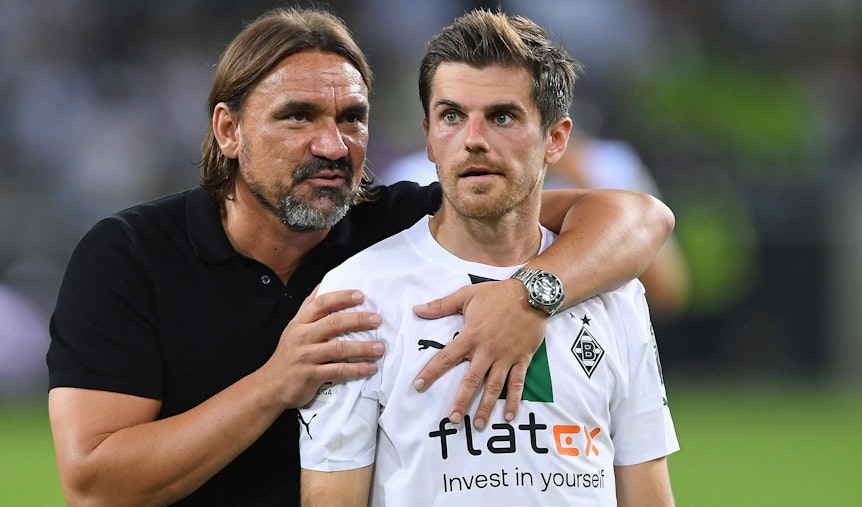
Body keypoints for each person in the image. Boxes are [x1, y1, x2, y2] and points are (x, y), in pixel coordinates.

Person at [47, 7, 674, 506]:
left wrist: (525, 297)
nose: (332, 144)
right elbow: (95, 486)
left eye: (353, 117)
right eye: (297, 117)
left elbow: (638, 216)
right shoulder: (130, 256)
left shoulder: (393, 222)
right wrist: (273, 385)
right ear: (228, 131)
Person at [299, 9, 678, 506]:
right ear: (430, 137)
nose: (473, 138)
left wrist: (527, 296)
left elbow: (647, 493)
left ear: (556, 139)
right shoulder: (357, 297)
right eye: (451, 116)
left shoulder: (616, 292)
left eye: (502, 116)